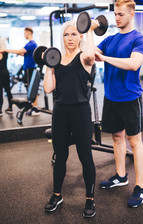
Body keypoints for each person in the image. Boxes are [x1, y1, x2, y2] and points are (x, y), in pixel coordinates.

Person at [95, 0, 143, 208]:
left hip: (129, 97)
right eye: (115, 14)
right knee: (117, 137)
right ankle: (120, 175)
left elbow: (134, 64)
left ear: (131, 14)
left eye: (120, 14)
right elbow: (92, 54)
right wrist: (89, 31)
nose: (116, 18)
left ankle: (141, 187)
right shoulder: (110, 40)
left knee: (135, 141)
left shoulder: (139, 39)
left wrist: (105, 58)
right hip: (111, 97)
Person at [43, 20, 97, 218]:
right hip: (60, 113)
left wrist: (90, 28)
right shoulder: (56, 60)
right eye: (66, 35)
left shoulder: (83, 57)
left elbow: (91, 55)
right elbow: (48, 88)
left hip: (81, 112)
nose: (70, 38)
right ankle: (57, 195)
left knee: (85, 157)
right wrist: (49, 64)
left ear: (80, 36)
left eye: (74, 34)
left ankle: (90, 198)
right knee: (60, 156)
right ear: (62, 38)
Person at [0, 27, 38, 115]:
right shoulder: (29, 44)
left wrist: (6, 50)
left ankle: (34, 108)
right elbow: (21, 53)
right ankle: (32, 107)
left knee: (31, 89)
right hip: (27, 68)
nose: (24, 35)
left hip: (30, 68)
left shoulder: (31, 44)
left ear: (29, 33)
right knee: (29, 88)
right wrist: (14, 51)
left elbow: (19, 51)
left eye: (25, 33)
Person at [0, 37, 13, 116]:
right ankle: (10, 107)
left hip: (1, 73)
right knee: (8, 90)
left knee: (0, 91)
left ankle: (0, 110)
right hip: (6, 73)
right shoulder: (6, 52)